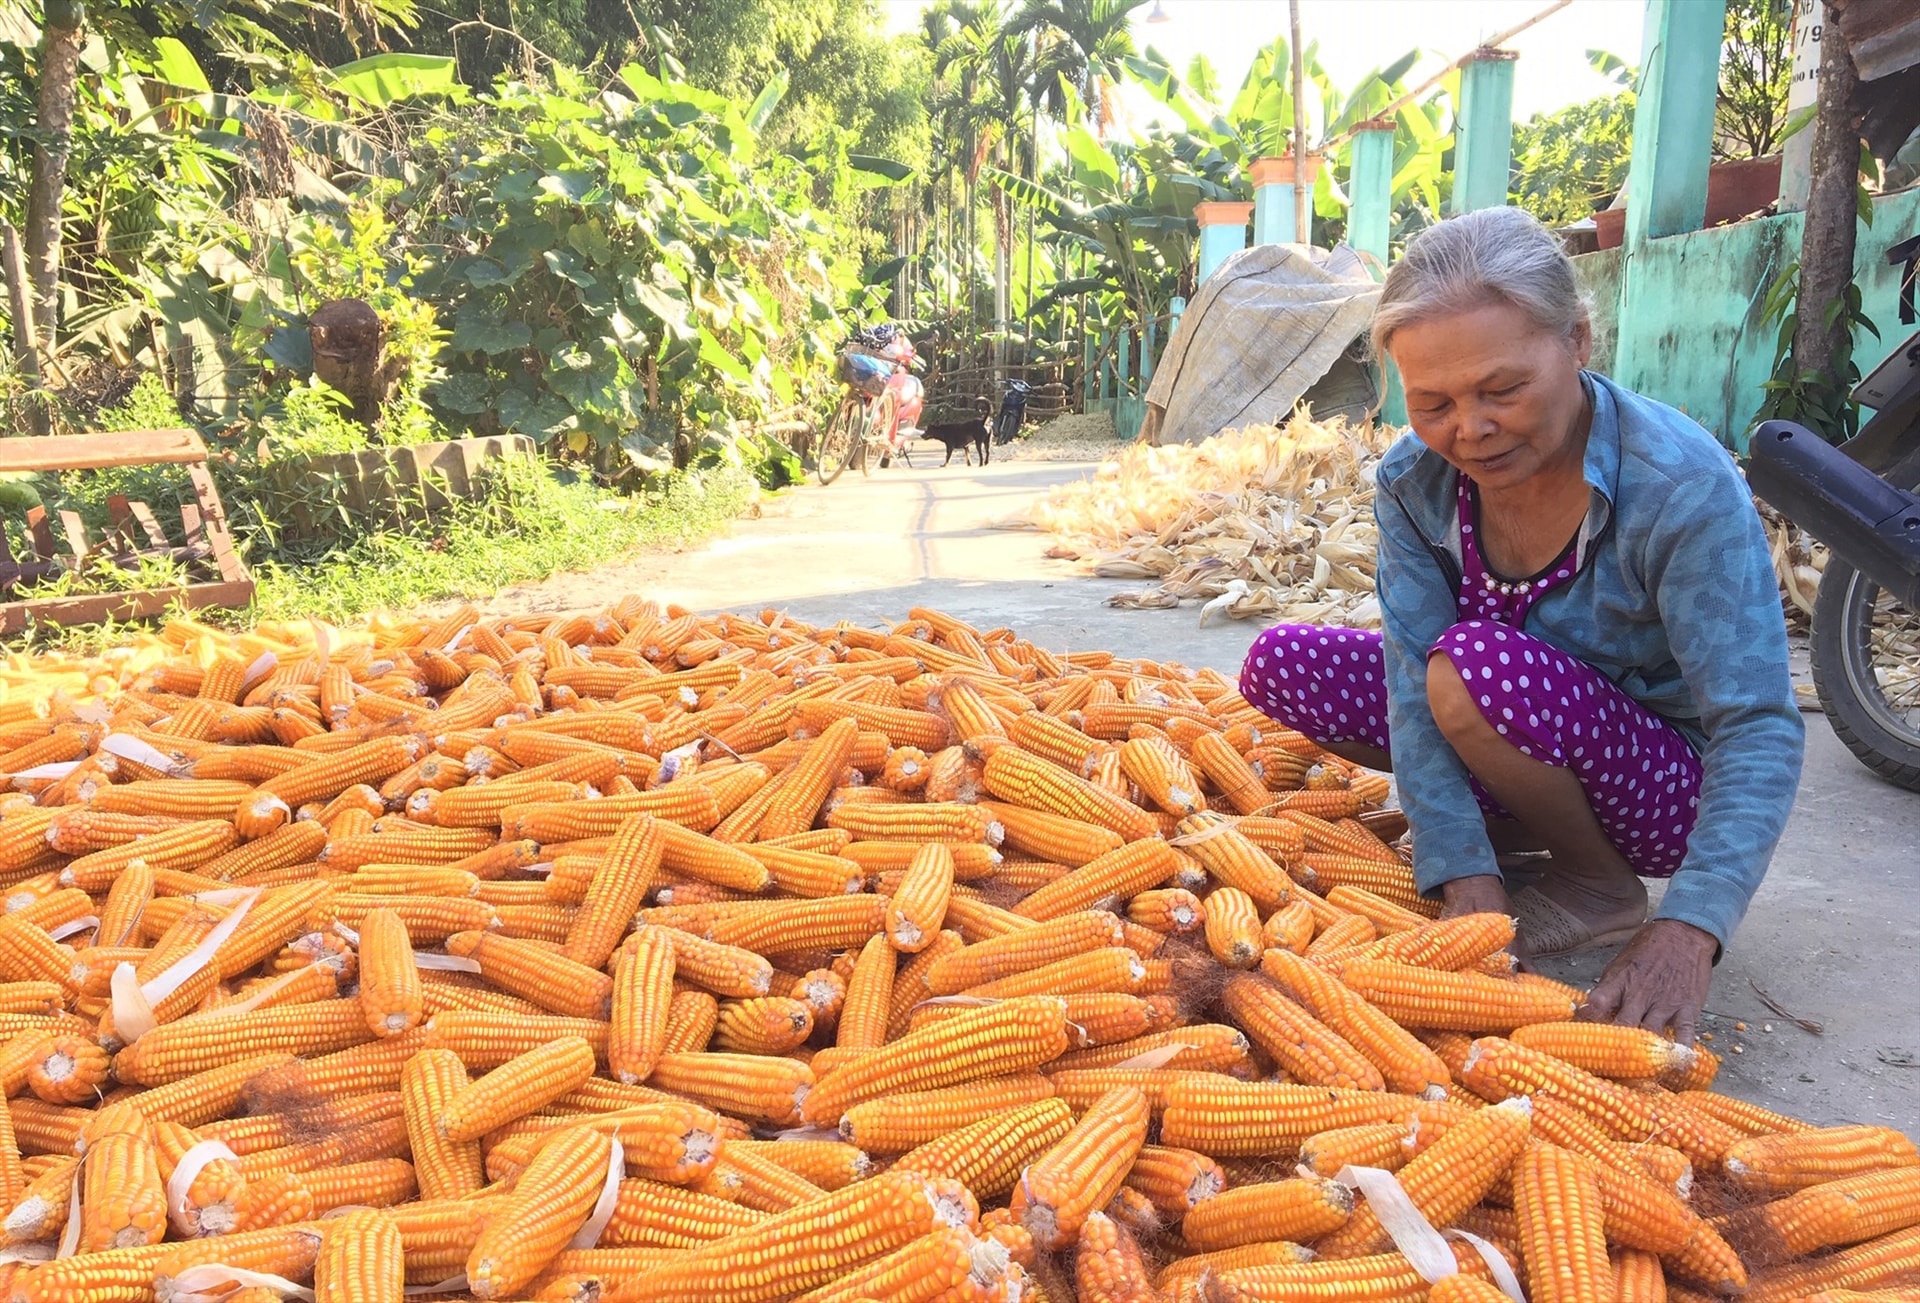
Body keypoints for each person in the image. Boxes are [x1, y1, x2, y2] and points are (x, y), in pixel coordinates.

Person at [1238, 206, 1804, 1043]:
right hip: (1503, 711)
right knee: (1285, 659)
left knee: (1471, 668)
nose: (1470, 428)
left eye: (1502, 389)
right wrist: (1460, 872)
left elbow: (1756, 723)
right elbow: (1406, 677)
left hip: (1659, 781)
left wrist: (1694, 928)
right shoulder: (1414, 481)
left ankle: (1597, 883)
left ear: (1576, 340)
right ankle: (1507, 830)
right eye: (1433, 402)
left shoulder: (1679, 485)